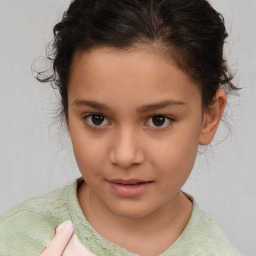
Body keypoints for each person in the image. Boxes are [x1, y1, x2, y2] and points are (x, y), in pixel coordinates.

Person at [0, 0, 245, 255]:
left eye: (158, 120)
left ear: (209, 118)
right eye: (97, 119)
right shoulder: (15, 239)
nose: (125, 155)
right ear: (67, 112)